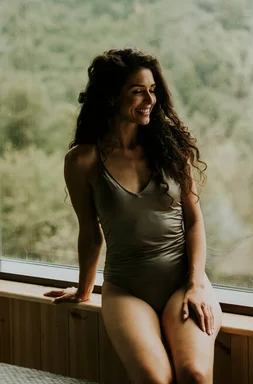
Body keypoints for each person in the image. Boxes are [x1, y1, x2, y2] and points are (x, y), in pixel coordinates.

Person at [44, 47, 222, 384]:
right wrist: (84, 291)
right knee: (156, 380)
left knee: (195, 374)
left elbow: (194, 221)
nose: (149, 100)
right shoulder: (82, 160)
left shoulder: (171, 150)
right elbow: (90, 233)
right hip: (127, 289)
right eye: (138, 91)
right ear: (112, 97)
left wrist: (197, 284)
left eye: (152, 90)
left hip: (183, 283)